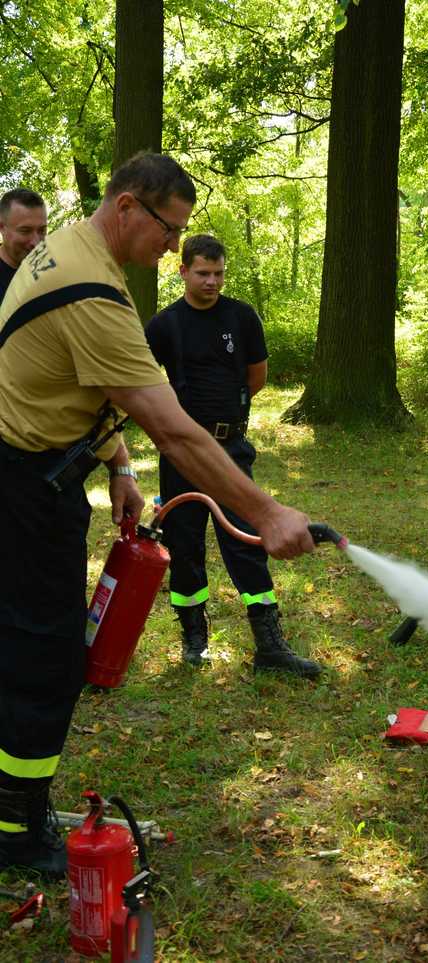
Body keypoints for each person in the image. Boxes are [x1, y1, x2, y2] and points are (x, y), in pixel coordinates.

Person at [0, 153, 314, 878]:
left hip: (38, 475)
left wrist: (115, 465)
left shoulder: (72, 253)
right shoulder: (91, 289)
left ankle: (14, 806)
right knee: (44, 658)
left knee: (32, 646)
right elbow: (174, 429)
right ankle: (15, 827)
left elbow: (77, 379)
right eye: (169, 230)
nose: (175, 247)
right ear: (128, 207)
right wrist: (266, 513)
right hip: (24, 491)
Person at [146, 235, 322, 677]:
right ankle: (193, 640)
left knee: (247, 539)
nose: (211, 281)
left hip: (231, 448)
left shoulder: (241, 317)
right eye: (202, 273)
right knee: (183, 545)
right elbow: (145, 385)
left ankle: (269, 645)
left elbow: (256, 377)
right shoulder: (164, 325)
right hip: (183, 454)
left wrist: (225, 423)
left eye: (218, 273)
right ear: (182, 271)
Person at [0, 188, 47, 301]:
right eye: (25, 231)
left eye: (42, 230)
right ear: (2, 228)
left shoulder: (50, 268)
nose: (36, 243)